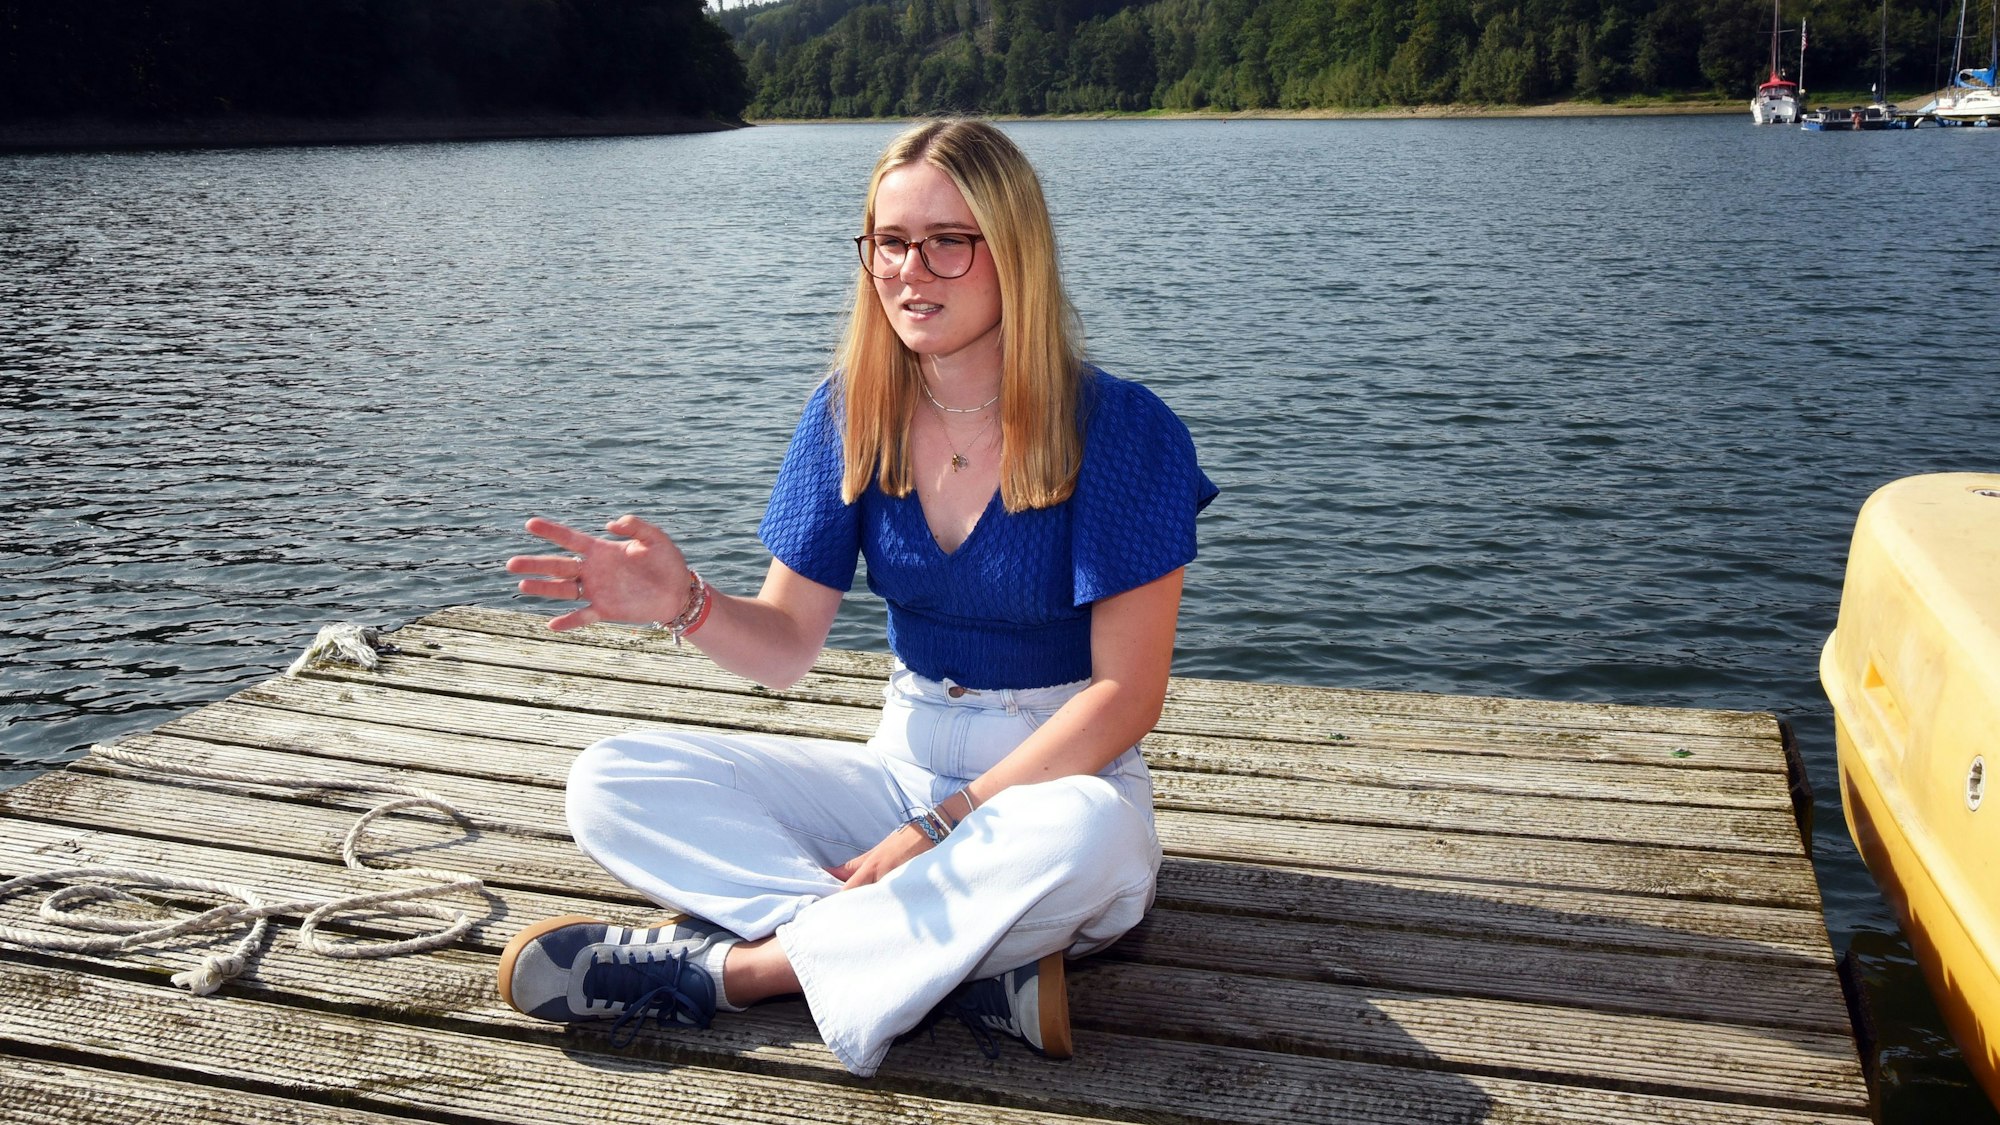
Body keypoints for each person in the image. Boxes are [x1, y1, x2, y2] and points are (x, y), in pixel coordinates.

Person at [497, 118, 1217, 1079]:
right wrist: (684, 601)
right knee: (610, 780)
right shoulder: (849, 412)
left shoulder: (1123, 429)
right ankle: (956, 966)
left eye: (948, 241)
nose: (911, 271)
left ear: (1015, 251)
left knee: (1091, 840)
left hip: (1052, 782)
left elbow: (1126, 698)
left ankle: (739, 973)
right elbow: (786, 645)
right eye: (890, 241)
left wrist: (940, 828)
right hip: (898, 765)